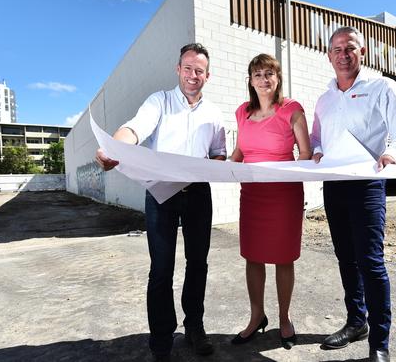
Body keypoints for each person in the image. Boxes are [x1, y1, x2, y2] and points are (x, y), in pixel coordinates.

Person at [95, 43, 226, 362]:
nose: (193, 75)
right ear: (178, 69)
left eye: (199, 70)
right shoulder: (160, 101)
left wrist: (223, 164)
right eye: (188, 68)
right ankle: (161, 341)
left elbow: (219, 153)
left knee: (198, 264)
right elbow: (134, 129)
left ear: (207, 76)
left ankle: (195, 327)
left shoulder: (214, 113)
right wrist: (114, 147)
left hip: (197, 194)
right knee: (161, 269)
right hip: (160, 194)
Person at [310, 27, 396, 362]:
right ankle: (357, 322)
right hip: (334, 185)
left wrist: (392, 154)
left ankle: (379, 343)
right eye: (337, 49)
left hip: (367, 184)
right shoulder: (324, 99)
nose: (343, 55)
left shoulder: (382, 87)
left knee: (370, 263)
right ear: (328, 55)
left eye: (350, 48)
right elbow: (317, 138)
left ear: (363, 52)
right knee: (345, 258)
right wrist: (315, 151)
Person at [229, 53, 311, 350]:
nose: (263, 80)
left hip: (284, 195)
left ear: (278, 78)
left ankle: (284, 318)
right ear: (250, 81)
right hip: (252, 194)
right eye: (257, 74)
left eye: (269, 74)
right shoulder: (242, 112)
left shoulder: (292, 109)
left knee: (283, 257)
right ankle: (256, 316)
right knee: (253, 256)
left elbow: (304, 154)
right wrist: (221, 167)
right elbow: (240, 151)